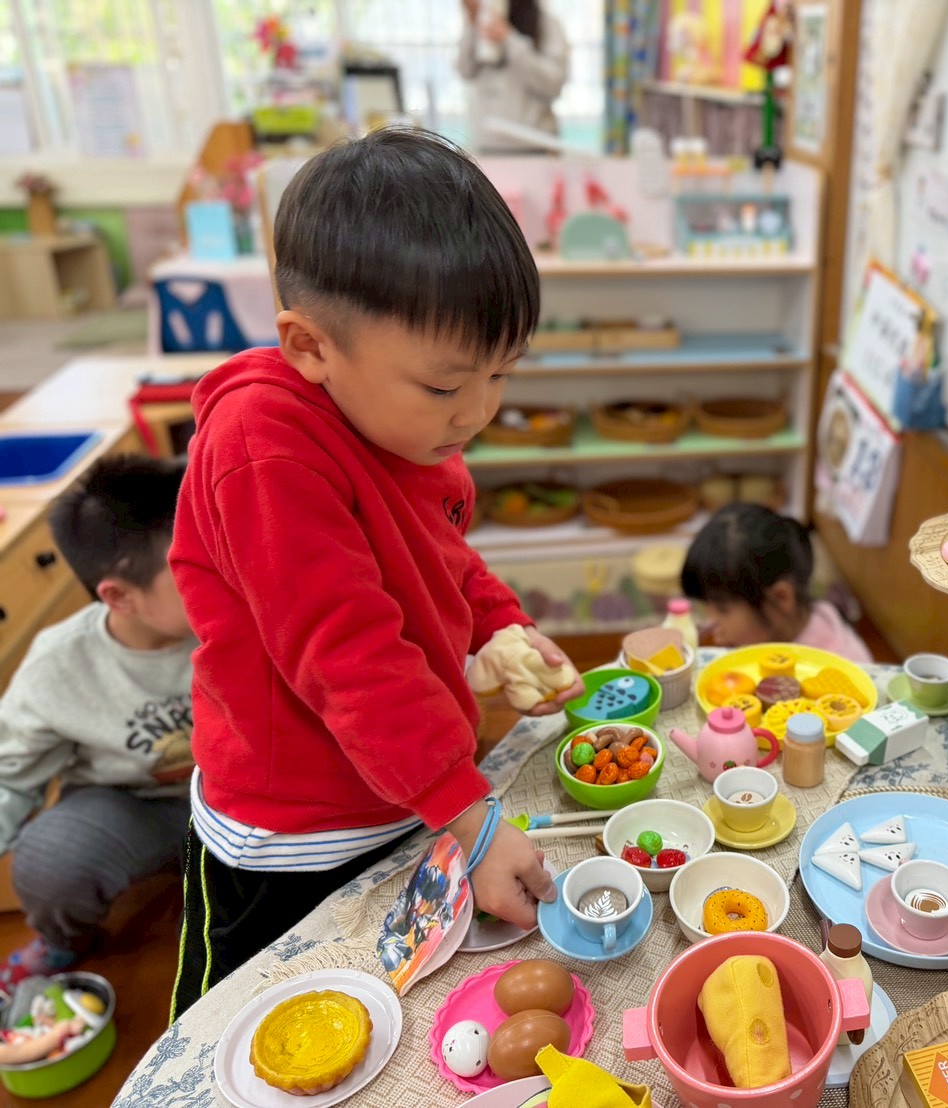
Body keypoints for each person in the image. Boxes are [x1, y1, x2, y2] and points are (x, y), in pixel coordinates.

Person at [169, 129, 580, 1017]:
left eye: (501, 375)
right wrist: (470, 816)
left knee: (393, 1012)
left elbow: (441, 553)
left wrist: (498, 622)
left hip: (402, 791)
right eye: (445, 387)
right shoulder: (261, 447)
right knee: (242, 1028)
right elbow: (348, 651)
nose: (477, 412)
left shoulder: (394, 421)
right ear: (309, 346)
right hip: (289, 836)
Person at [0, 457, 194, 993]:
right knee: (51, 860)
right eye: (190, 569)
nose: (222, 574)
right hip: (134, 805)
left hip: (243, 797)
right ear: (119, 596)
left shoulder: (247, 610)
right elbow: (8, 777)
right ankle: (63, 942)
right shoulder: (59, 664)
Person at [680, 503, 873, 664]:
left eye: (723, 609)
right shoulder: (773, 629)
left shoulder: (838, 665)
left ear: (781, 598)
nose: (711, 621)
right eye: (707, 606)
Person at [458, 0, 570, 154]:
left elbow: (553, 84)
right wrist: (472, 21)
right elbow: (465, 70)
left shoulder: (546, 23)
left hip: (534, 146)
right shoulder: (480, 20)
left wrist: (508, 38)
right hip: (486, 146)